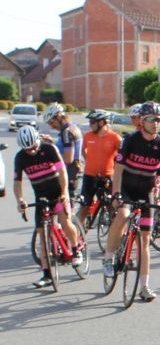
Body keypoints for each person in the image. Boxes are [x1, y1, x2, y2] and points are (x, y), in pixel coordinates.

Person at [102, 101, 160, 302]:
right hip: (126, 188)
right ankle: (108, 258)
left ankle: (144, 286)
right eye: (151, 119)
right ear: (142, 121)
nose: (155, 123)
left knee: (145, 240)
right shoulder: (130, 140)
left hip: (146, 192)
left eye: (158, 120)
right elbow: (118, 169)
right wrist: (116, 194)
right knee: (123, 215)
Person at [13, 126, 83, 288]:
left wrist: (64, 192)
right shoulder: (20, 157)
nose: (31, 151)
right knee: (42, 235)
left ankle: (76, 249)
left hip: (58, 192)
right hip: (41, 197)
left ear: (38, 141)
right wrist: (20, 200)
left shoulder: (49, 149)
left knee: (65, 222)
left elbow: (63, 172)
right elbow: (17, 182)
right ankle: (47, 274)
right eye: (27, 149)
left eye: (33, 147)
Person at [79, 109, 121, 225]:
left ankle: (115, 232)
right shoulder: (87, 136)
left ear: (102, 122)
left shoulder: (115, 137)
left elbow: (121, 157)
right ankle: (78, 232)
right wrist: (90, 162)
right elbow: (83, 150)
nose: (90, 124)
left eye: (92, 121)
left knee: (113, 207)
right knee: (84, 206)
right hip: (89, 176)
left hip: (107, 177)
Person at [43, 103, 83, 200]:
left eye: (51, 122)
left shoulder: (66, 132)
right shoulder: (72, 127)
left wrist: (51, 153)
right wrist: (52, 142)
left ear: (58, 117)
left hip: (68, 174)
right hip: (73, 172)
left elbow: (68, 159)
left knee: (64, 204)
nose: (51, 126)